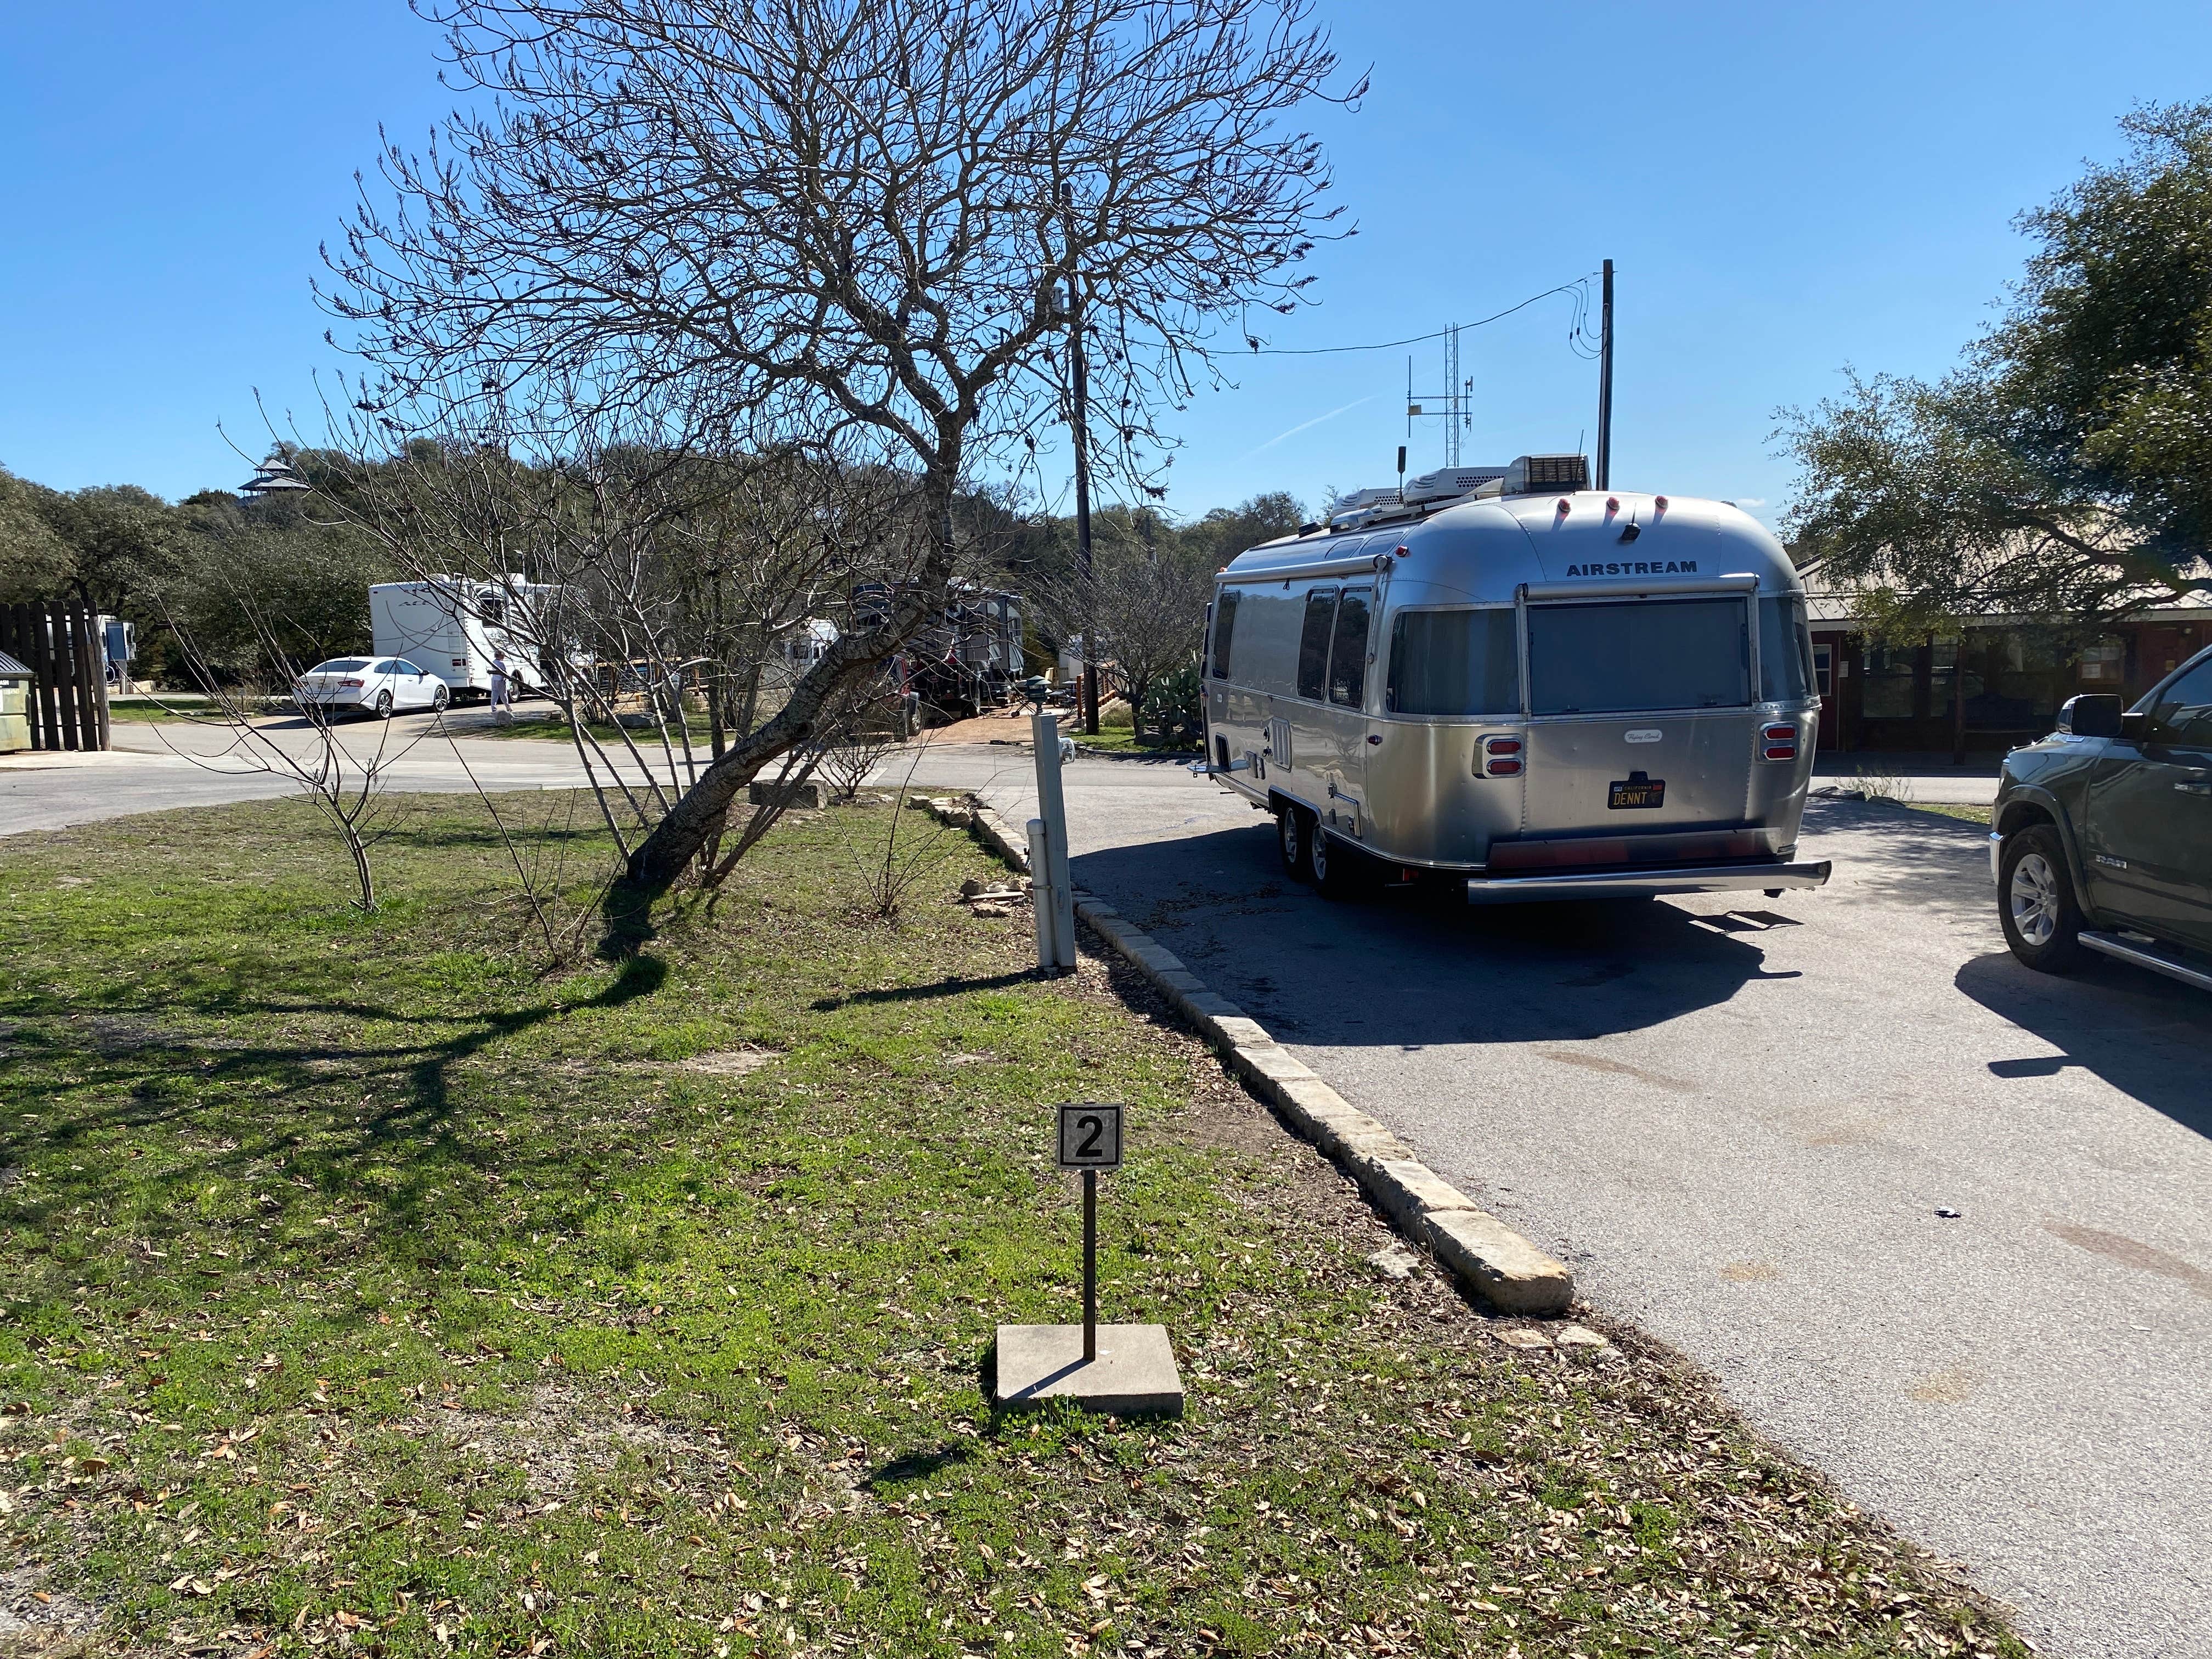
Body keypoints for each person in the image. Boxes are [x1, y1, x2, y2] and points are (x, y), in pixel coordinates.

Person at [489, 651, 513, 723]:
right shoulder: (501, 663)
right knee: (503, 694)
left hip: (494, 680)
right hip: (500, 680)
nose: (504, 657)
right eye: (503, 655)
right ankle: (508, 708)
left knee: (494, 694)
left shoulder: (493, 662)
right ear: (500, 656)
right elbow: (504, 672)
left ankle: (494, 709)